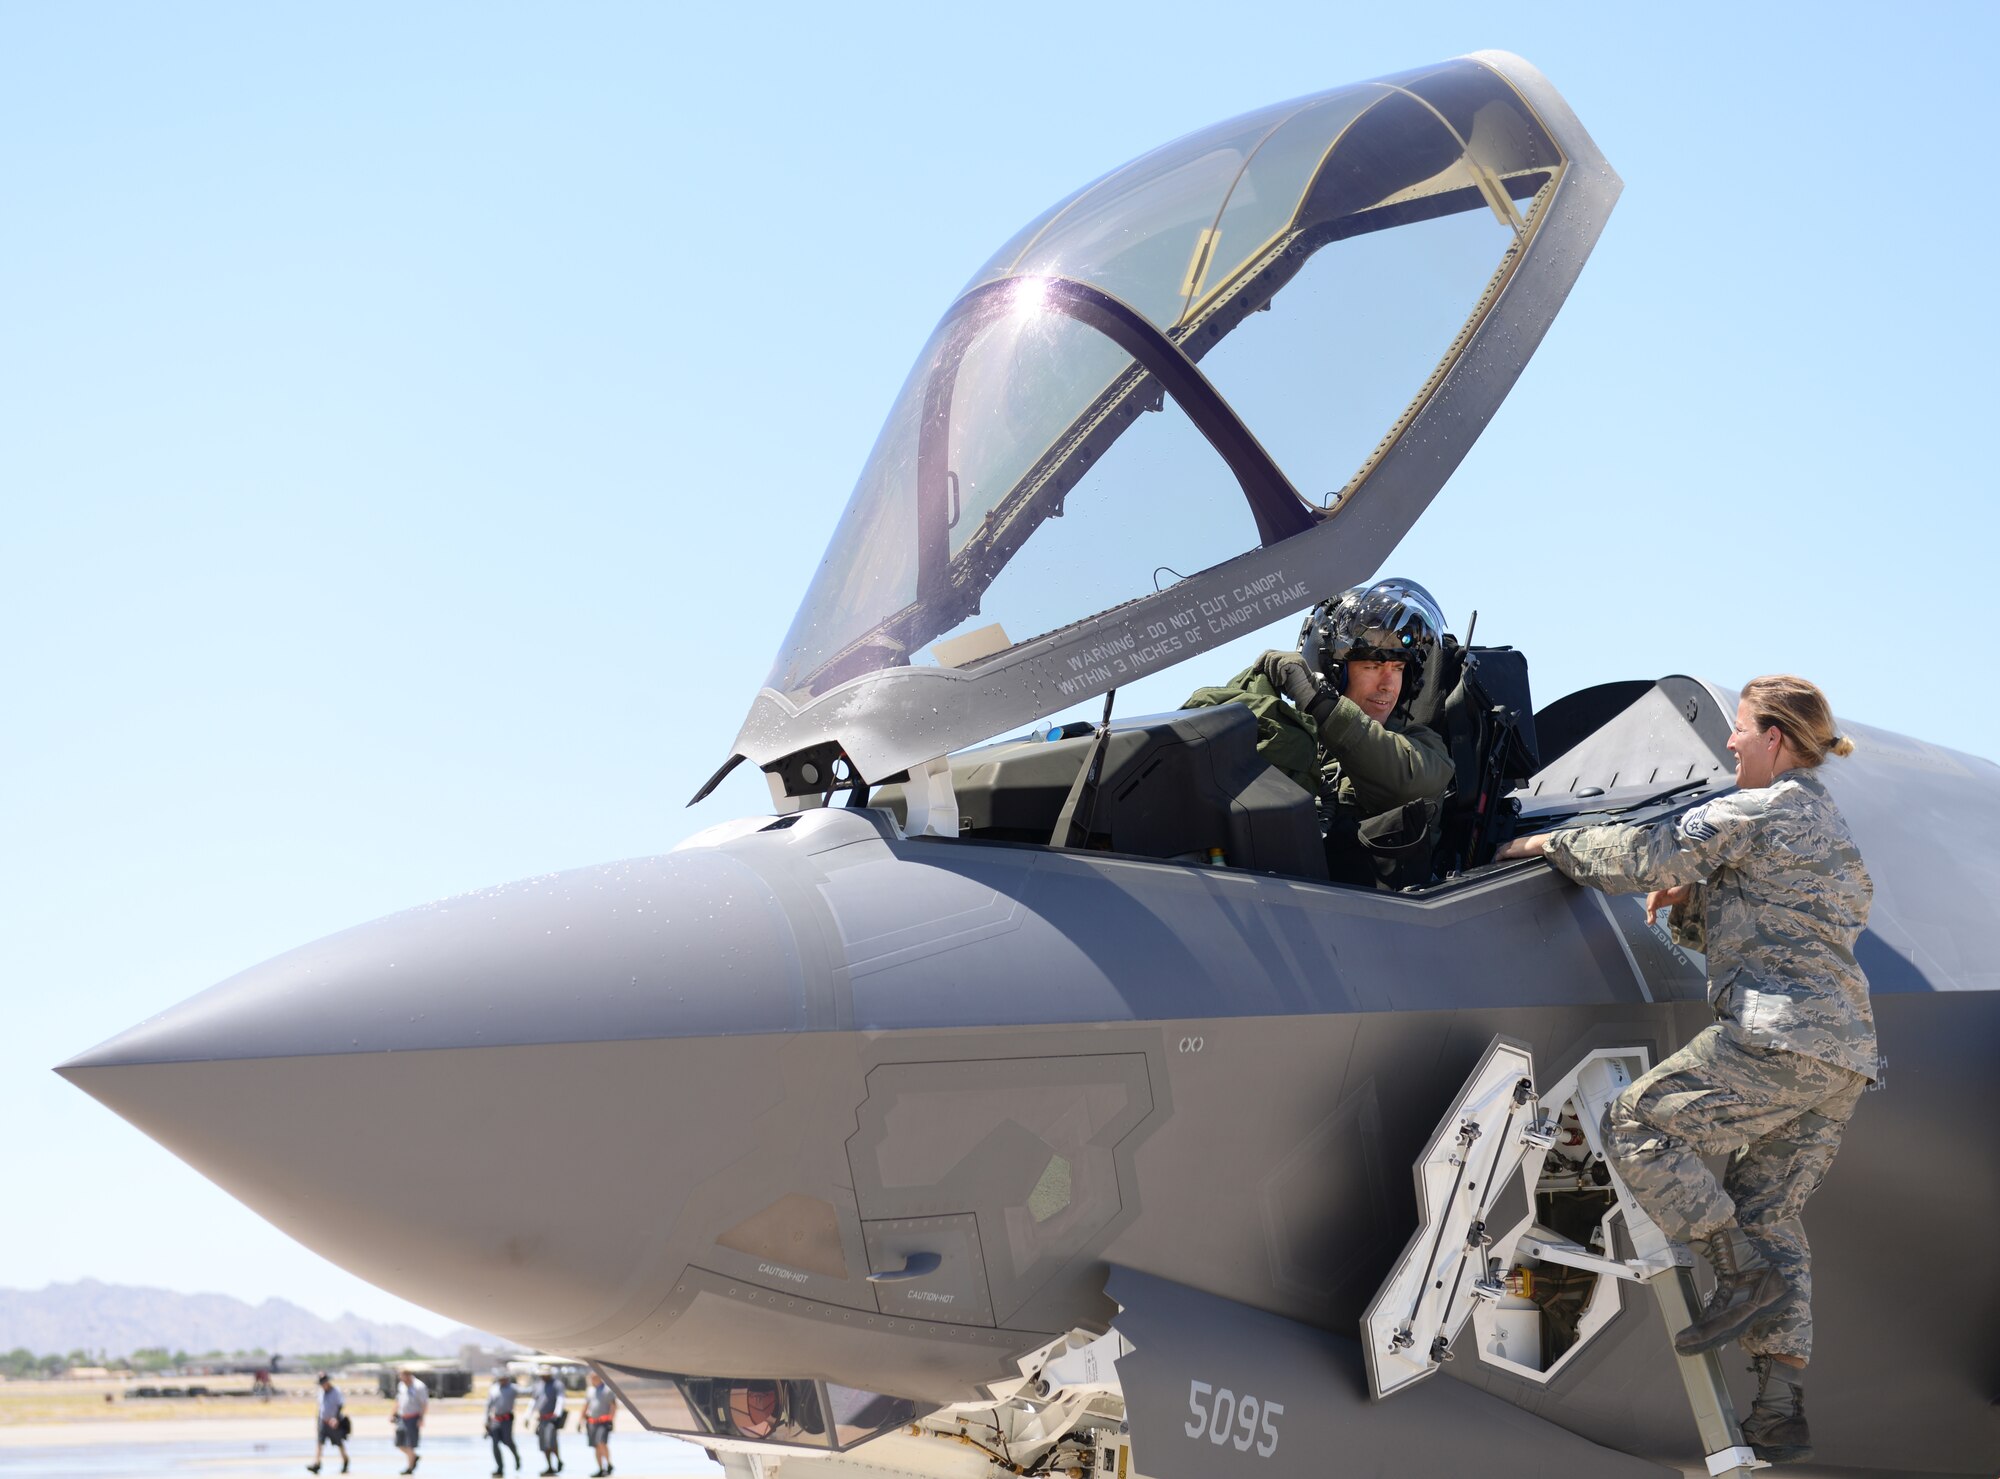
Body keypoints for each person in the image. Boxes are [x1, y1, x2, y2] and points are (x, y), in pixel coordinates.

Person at [1496, 675, 1872, 1465]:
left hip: (1776, 1038)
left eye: (1739, 730)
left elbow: (1641, 852)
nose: (1729, 744)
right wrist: (1698, 898)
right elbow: (1777, 918)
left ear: (1775, 737)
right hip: (1845, 1056)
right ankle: (1778, 1405)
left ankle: (1738, 1272)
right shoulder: (1832, 829)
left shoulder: (1752, 810)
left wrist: (1543, 845)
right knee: (1772, 1209)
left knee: (1636, 1120)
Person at [1198, 577, 1453, 885]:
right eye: (1372, 667)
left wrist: (1322, 704)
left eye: (1398, 668)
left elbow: (1404, 780)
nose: (1388, 684)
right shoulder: (1293, 740)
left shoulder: (1423, 747)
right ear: (1332, 671)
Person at [306, 1371, 348, 1474]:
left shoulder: (336, 1391)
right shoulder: (321, 1392)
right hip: (323, 1422)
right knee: (320, 1443)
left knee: (339, 1443)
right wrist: (318, 1421)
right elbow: (320, 1408)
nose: (322, 1385)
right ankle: (317, 1464)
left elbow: (340, 1405)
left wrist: (336, 1419)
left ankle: (345, 1461)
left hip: (333, 1423)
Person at [487, 1368, 523, 1475]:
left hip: (507, 1420)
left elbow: (527, 1391)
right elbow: (488, 1405)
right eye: (500, 1379)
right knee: (495, 1444)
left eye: (504, 1379)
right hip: (496, 1420)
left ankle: (516, 1457)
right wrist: (486, 1420)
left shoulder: (513, 1388)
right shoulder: (493, 1389)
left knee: (508, 1441)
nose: (502, 1381)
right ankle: (500, 1467)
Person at [393, 1368, 429, 1475]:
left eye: (402, 1376)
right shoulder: (401, 1385)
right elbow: (398, 1401)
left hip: (413, 1418)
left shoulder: (419, 1386)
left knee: (410, 1444)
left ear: (408, 1375)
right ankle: (413, 1457)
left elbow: (424, 1404)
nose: (401, 1378)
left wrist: (421, 1418)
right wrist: (393, 1413)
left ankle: (409, 1468)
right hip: (402, 1417)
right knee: (399, 1443)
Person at [531, 1367, 567, 1475]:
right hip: (542, 1419)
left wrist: (557, 1413)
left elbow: (560, 1399)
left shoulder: (557, 1384)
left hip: (552, 1419)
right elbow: (534, 1400)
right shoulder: (538, 1385)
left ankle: (558, 1461)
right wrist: (528, 1415)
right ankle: (550, 1466)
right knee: (544, 1444)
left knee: (550, 1442)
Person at [583, 1371, 616, 1476]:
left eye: (594, 1378)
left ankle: (609, 1464)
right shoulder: (590, 1390)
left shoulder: (607, 1390)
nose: (592, 1380)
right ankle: (601, 1468)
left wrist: (611, 1419)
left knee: (601, 1442)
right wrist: (581, 1420)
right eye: (591, 1378)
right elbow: (585, 1406)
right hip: (592, 1422)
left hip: (603, 1421)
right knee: (596, 1445)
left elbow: (613, 1406)